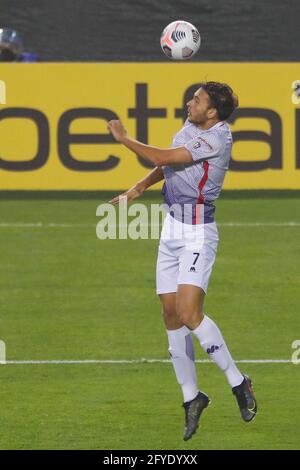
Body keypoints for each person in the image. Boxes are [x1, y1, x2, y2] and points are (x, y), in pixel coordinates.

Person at [107, 81, 257, 441]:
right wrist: (141, 187)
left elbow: (163, 156)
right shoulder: (190, 128)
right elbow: (168, 166)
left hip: (197, 232)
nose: (191, 101)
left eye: (199, 99)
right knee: (171, 314)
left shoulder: (218, 138)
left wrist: (125, 139)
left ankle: (238, 382)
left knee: (190, 313)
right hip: (172, 229)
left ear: (213, 112)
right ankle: (192, 398)